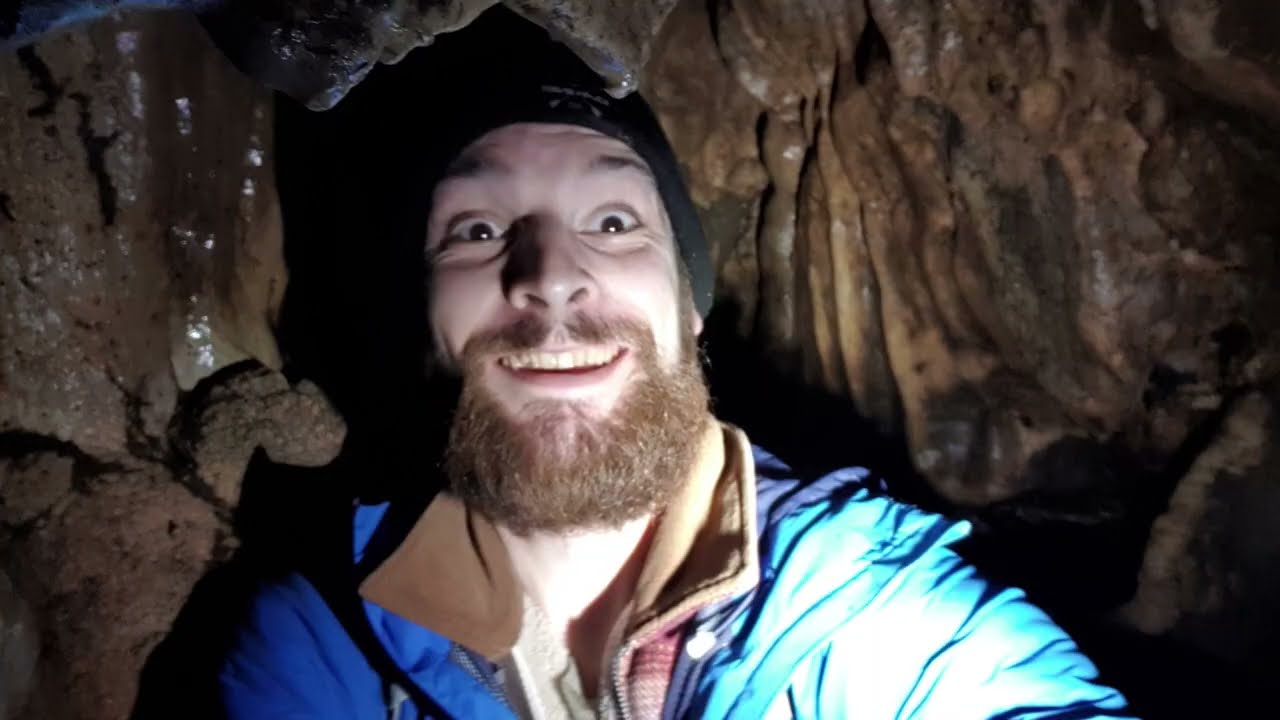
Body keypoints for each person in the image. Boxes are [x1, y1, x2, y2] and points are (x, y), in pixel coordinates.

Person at [217, 40, 1133, 720]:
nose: (550, 275)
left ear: (691, 305)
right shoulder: (323, 644)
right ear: (426, 318)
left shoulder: (864, 610)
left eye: (613, 222)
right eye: (478, 230)